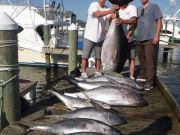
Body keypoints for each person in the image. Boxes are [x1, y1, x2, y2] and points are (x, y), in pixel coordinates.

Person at [81, 0, 119, 79]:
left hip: (101, 37)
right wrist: (111, 11)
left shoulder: (107, 8)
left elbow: (109, 18)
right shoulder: (93, 5)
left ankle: (98, 71)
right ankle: (83, 72)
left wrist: (115, 13)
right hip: (89, 36)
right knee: (85, 56)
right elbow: (97, 14)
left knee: (99, 57)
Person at [136, 0, 162, 90]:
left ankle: (149, 81)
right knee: (141, 59)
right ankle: (142, 77)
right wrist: (130, 32)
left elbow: (159, 21)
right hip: (139, 38)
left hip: (150, 37)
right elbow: (135, 23)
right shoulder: (138, 9)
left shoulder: (154, 6)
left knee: (149, 60)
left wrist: (156, 35)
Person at [114, 3, 137, 80]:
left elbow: (134, 21)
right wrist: (113, 11)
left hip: (129, 38)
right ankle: (115, 73)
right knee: (118, 57)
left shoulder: (132, 7)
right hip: (118, 39)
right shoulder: (117, 9)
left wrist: (122, 21)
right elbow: (111, 19)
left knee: (132, 58)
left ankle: (131, 76)